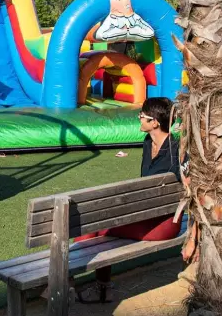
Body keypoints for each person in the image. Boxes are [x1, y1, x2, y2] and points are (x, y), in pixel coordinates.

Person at [74, 97, 187, 303]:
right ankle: (87, 282)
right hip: (145, 216)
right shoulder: (148, 143)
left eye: (142, 115)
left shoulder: (177, 152)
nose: (139, 118)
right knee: (96, 225)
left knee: (99, 228)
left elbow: (189, 188)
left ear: (154, 122)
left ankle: (79, 281)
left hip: (164, 224)